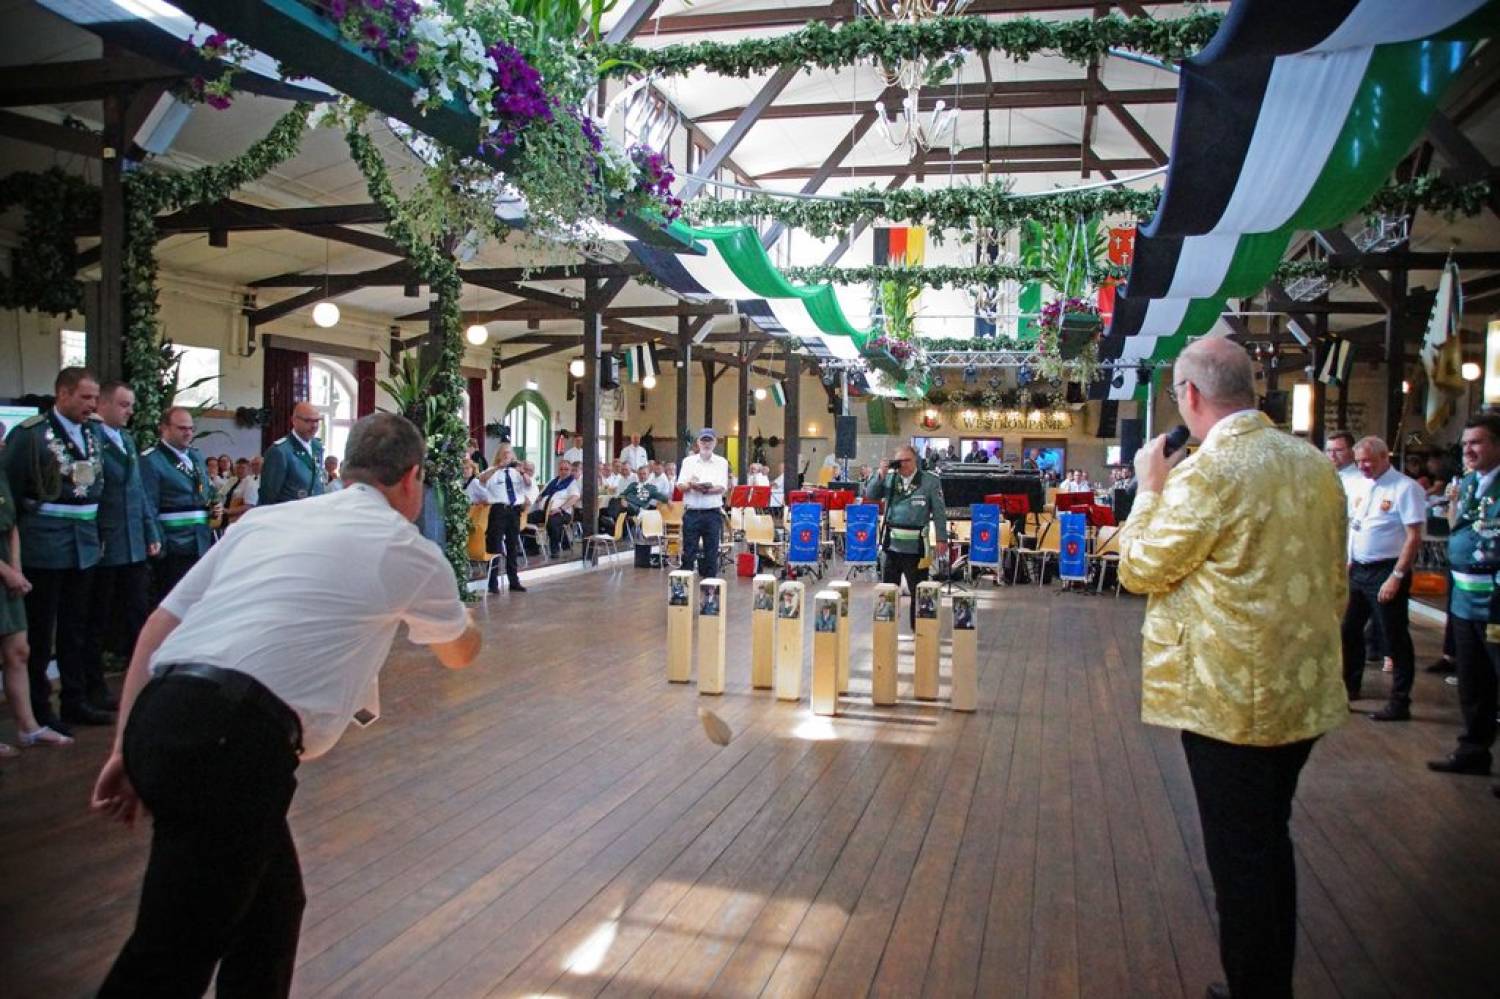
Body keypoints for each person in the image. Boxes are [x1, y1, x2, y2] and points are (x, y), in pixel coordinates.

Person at [90, 412, 480, 997]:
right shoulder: (406, 549)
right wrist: (463, 624)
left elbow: (157, 626)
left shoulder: (266, 521)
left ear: (346, 468)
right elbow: (458, 655)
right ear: (412, 478)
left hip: (166, 715)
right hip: (232, 742)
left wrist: (126, 745)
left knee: (272, 910)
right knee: (172, 953)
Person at [1117, 337, 1347, 999]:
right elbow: (1334, 580)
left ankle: (1256, 988)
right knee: (1267, 840)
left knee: (1241, 855)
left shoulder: (1209, 473)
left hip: (1230, 701)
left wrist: (1148, 489)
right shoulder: (1312, 464)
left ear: (1189, 395)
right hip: (1300, 690)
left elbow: (1138, 568)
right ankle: (1264, 978)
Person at [2, 367, 110, 732]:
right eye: (84, 397)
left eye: (95, 398)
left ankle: (74, 700)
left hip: (84, 543)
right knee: (40, 629)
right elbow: (12, 492)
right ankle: (39, 708)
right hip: (44, 545)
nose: (92, 405)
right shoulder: (30, 435)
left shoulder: (94, 434)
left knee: (75, 629)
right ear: (62, 394)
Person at [1429, 411, 1500, 790]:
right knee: (1473, 682)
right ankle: (1473, 750)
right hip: (1463, 596)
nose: (1469, 450)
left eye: (1478, 442)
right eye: (1466, 443)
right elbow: (1458, 524)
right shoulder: (1469, 483)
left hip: (1495, 598)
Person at [87, 382, 161, 705]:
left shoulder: (127, 439)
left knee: (136, 613)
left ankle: (139, 680)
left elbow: (138, 493)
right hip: (106, 545)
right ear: (103, 404)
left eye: (131, 404)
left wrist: (151, 531)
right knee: (98, 619)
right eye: (124, 404)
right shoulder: (92, 439)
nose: (130, 410)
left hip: (133, 543)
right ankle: (93, 686)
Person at [1340, 436, 1424, 720]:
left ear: (1384, 457)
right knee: (1349, 630)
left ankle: (1400, 701)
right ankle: (1349, 688)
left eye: (1368, 461)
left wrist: (1397, 576)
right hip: (1359, 569)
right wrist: (1350, 559)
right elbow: (1356, 526)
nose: (1363, 466)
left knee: (1393, 636)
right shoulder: (1362, 485)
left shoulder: (1405, 488)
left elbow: (1413, 536)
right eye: (1359, 461)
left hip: (1387, 569)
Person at [1, 462, 74, 755]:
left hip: (9, 571)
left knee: (19, 651)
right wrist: (8, 572)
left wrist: (16, 568)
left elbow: (12, 524)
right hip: (4, 573)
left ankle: (28, 727)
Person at [140, 408, 221, 607]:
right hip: (173, 543)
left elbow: (206, 490)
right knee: (172, 604)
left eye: (191, 429)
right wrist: (156, 540)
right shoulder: (152, 460)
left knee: (199, 603)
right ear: (164, 429)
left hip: (201, 541)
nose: (188, 433)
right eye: (182, 428)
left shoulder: (196, 457)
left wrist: (214, 503)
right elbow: (148, 505)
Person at [864, 444, 947, 627]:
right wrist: (880, 475)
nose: (903, 465)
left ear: (916, 460)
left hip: (916, 546)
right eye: (899, 461)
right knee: (889, 590)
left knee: (918, 591)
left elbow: (940, 512)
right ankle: (887, 628)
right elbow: (870, 495)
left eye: (907, 460)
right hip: (892, 544)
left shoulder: (930, 481)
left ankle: (919, 629)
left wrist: (942, 538)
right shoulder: (891, 479)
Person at [472, 444, 528, 593]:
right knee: (494, 545)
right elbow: (481, 479)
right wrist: (498, 467)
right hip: (498, 510)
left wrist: (523, 473)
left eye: (509, 453)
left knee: (512, 546)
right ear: (499, 455)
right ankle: (492, 582)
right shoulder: (492, 471)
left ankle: (514, 581)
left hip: (514, 510)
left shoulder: (517, 472)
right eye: (503, 453)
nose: (506, 456)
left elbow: (528, 486)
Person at [677, 428, 730, 579]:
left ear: (715, 443)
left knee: (711, 553)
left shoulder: (721, 462)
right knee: (688, 552)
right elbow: (680, 486)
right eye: (703, 440)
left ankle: (710, 593)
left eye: (709, 440)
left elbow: (722, 488)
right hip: (692, 513)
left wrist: (704, 490)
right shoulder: (688, 461)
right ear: (698, 442)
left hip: (712, 512)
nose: (706, 444)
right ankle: (684, 592)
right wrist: (691, 485)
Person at [258, 402, 325, 506]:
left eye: (317, 421)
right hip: (289, 516)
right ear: (294, 421)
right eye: (308, 421)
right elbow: (268, 497)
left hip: (315, 513)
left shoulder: (317, 447)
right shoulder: (280, 451)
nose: (314, 426)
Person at [530, 460, 581, 556]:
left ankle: (555, 549)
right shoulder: (553, 481)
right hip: (545, 512)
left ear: (570, 470)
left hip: (562, 513)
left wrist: (561, 508)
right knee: (525, 519)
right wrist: (538, 498)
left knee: (552, 522)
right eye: (561, 469)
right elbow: (542, 494)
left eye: (566, 469)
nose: (563, 471)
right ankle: (532, 548)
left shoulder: (572, 483)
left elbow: (575, 497)